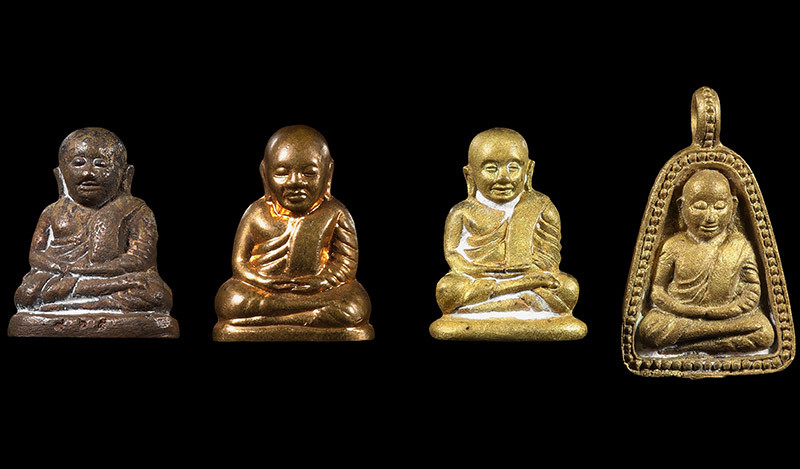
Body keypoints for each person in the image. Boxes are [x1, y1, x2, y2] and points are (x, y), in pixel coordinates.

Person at [10, 128, 177, 338]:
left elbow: (141, 259)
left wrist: (87, 271)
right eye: (79, 163)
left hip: (110, 278)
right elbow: (36, 254)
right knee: (26, 293)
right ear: (60, 174)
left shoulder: (136, 210)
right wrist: (61, 268)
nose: (88, 173)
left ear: (126, 175)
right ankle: (90, 303)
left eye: (100, 164)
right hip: (62, 277)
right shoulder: (52, 212)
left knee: (155, 294)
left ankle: (75, 305)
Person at [213, 125, 372, 341]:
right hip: (264, 291)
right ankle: (305, 320)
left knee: (355, 305)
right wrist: (261, 281)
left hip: (318, 292)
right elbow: (239, 264)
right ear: (264, 174)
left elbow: (346, 264)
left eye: (309, 173)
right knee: (231, 299)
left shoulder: (335, 213)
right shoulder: (256, 213)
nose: (295, 182)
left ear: (328, 174)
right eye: (281, 173)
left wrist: (322, 282)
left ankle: (268, 322)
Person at [431, 128, 585, 340]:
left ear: (528, 171)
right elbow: (453, 255)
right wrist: (478, 270)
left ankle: (485, 306)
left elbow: (550, 257)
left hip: (527, 277)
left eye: (513, 167)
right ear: (469, 174)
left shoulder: (541, 206)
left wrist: (533, 270)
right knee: (447, 289)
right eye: (491, 168)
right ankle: (518, 297)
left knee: (568, 288)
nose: (503, 178)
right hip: (483, 277)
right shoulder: (462, 212)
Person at [636, 169, 774, 354]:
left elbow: (752, 290)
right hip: (681, 317)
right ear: (682, 206)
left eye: (719, 206)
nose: (710, 217)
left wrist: (726, 311)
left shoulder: (740, 245)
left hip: (726, 318)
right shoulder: (674, 245)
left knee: (764, 332)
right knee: (649, 329)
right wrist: (685, 310)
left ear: (733, 206)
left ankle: (691, 346)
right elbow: (658, 290)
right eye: (699, 206)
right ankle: (708, 340)